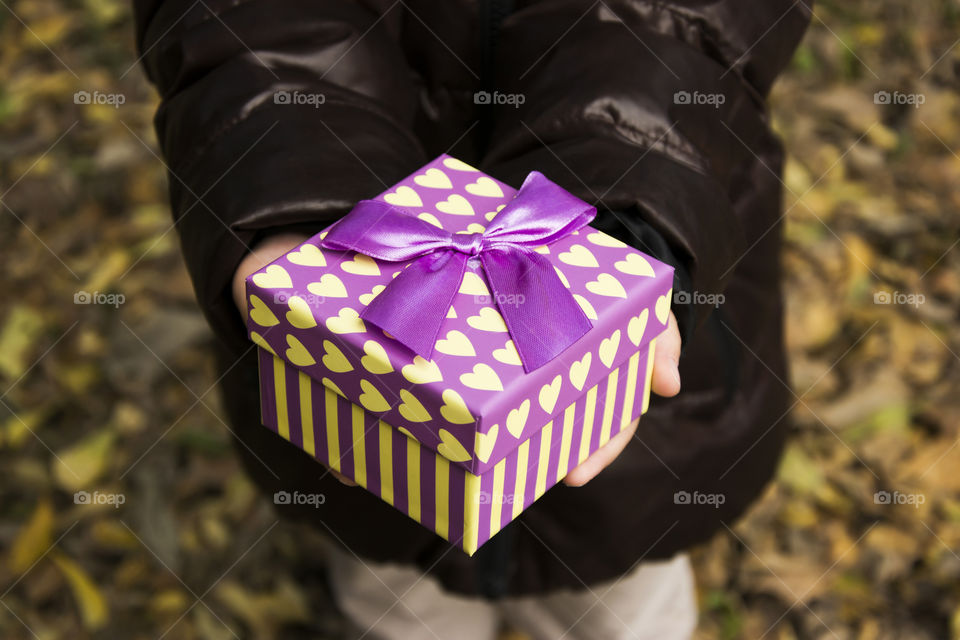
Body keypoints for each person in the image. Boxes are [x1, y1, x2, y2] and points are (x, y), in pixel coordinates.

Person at [132, 1, 811, 638]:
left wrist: (628, 199)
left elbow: (686, 20)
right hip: (360, 387)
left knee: (622, 596)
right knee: (390, 574)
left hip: (653, 237)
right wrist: (295, 184)